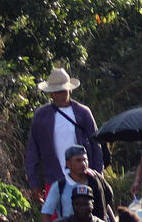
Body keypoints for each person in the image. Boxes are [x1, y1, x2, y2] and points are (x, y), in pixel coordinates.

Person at [24, 68, 103, 205]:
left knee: (86, 218)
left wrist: (97, 176)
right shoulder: (41, 116)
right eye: (56, 91)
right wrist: (34, 183)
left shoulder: (82, 113)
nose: (60, 95)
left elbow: (96, 146)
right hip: (54, 179)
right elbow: (33, 151)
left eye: (63, 90)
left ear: (70, 90)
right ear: (50, 93)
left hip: (83, 178)